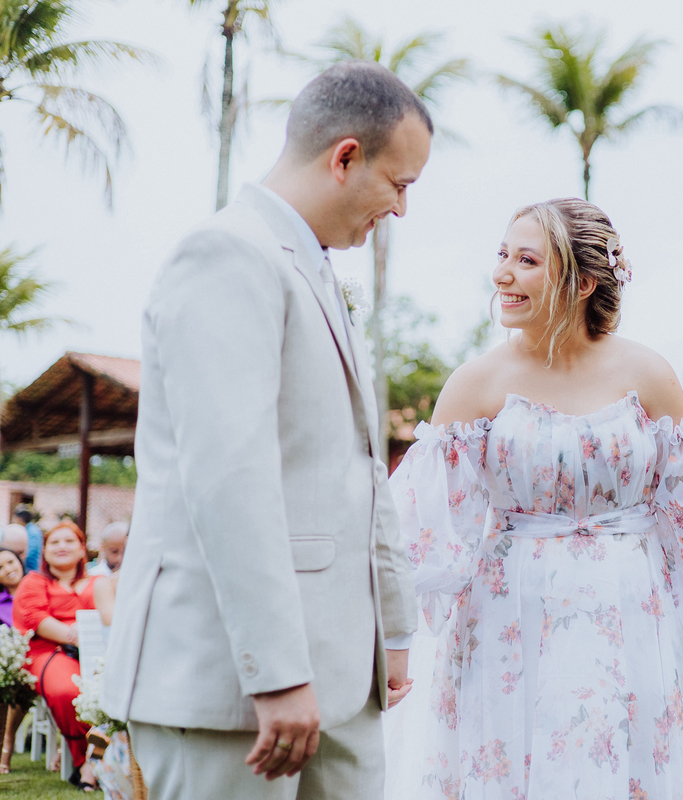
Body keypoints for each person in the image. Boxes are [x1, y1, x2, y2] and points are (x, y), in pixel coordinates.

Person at [386, 198, 683, 799]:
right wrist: (398, 635)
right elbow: (422, 524)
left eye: (526, 260)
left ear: (583, 282)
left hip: (632, 609)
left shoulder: (649, 374)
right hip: (508, 614)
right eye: (502, 255)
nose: (502, 274)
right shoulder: (477, 382)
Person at [100, 62, 429, 800]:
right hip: (234, 684)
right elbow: (230, 476)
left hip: (342, 679)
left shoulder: (310, 266)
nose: (401, 211)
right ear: (345, 157)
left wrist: (392, 633)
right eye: (399, 185)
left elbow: (357, 470)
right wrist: (277, 673)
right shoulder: (226, 254)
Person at [12, 521, 115, 789]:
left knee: (114, 690)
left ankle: (112, 757)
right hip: (49, 651)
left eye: (69, 541)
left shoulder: (99, 583)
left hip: (101, 653)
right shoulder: (34, 582)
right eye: (54, 542)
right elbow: (35, 617)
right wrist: (79, 637)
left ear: (83, 550)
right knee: (67, 690)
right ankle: (87, 764)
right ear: (44, 553)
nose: (61, 547)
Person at [0, 546, 27, 774]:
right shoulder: (0, 603)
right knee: (17, 681)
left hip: (45, 654)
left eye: (11, 562)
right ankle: (7, 741)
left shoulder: (40, 590)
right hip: (13, 662)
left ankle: (62, 752)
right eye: (0, 567)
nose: (8, 569)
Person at [12, 507, 41, 573]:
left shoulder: (33, 532)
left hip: (31, 569)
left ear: (20, 519)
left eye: (16, 519)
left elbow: (30, 552)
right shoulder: (27, 529)